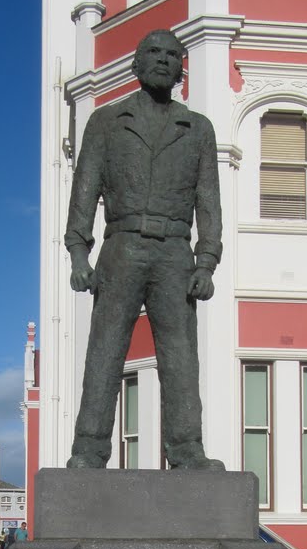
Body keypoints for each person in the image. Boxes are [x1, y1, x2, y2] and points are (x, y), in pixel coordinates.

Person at [65, 28, 224, 472]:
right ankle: (90, 449)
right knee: (105, 348)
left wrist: (207, 261)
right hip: (122, 244)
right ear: (136, 64)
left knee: (180, 354)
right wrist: (79, 251)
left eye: (173, 54)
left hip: (176, 251)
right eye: (152, 51)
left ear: (181, 70)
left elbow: (209, 201)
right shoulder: (106, 121)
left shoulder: (198, 129)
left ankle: (187, 449)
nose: (163, 59)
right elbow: (85, 190)